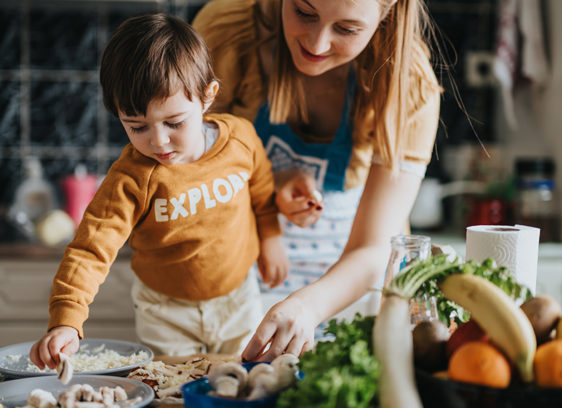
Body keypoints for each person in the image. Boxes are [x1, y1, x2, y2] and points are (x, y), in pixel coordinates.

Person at [29, 13, 288, 370]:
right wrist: (66, 320)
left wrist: (271, 238)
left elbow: (261, 189)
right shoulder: (130, 178)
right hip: (165, 312)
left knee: (242, 381)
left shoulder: (240, 139)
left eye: (174, 122)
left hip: (238, 299)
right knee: (175, 389)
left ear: (207, 97)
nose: (158, 140)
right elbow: (90, 250)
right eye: (136, 127)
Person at [193, 0, 441, 361]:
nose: (317, 43)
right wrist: (269, 184)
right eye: (304, 13)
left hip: (355, 287)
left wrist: (308, 308)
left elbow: (374, 246)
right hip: (234, 289)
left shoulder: (410, 81)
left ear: (388, 11)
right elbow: (185, 176)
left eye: (347, 29)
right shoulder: (226, 31)